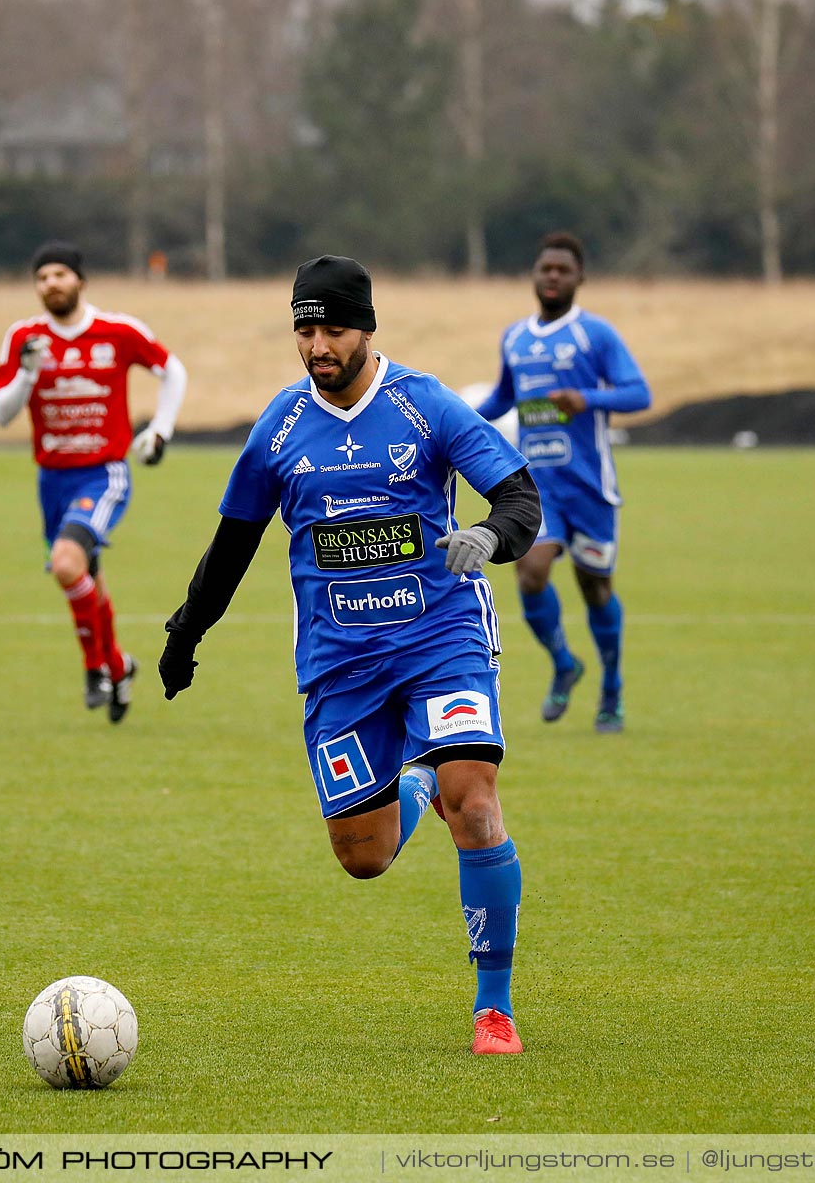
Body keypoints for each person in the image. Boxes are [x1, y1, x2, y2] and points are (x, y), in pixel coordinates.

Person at [159, 256, 542, 1054]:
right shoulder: (281, 428)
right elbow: (232, 545)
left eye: (333, 327)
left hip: (440, 638)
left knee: (474, 802)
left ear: (367, 328)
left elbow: (519, 499)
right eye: (305, 329)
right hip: (340, 662)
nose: (317, 344)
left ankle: (493, 1008)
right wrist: (186, 632)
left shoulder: (425, 404)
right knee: (362, 858)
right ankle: (420, 771)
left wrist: (489, 536)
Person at [0, 240, 188, 723]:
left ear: (79, 280)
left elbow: (173, 370)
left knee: (65, 564)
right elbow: (0, 414)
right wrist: (27, 375)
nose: (50, 284)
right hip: (50, 480)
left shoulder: (117, 331)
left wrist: (159, 429)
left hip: (103, 475)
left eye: (59, 274)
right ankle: (119, 666)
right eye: (41, 277)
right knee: (83, 578)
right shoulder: (24, 338)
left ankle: (95, 671)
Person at [475, 232, 651, 734]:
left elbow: (639, 393)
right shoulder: (515, 338)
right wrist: (453, 421)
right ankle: (562, 664)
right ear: (534, 275)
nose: (552, 276)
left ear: (579, 278)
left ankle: (611, 687)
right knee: (530, 572)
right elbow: (501, 400)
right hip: (539, 489)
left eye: (562, 269)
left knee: (596, 590)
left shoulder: (596, 335)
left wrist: (588, 399)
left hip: (591, 489)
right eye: (545, 268)